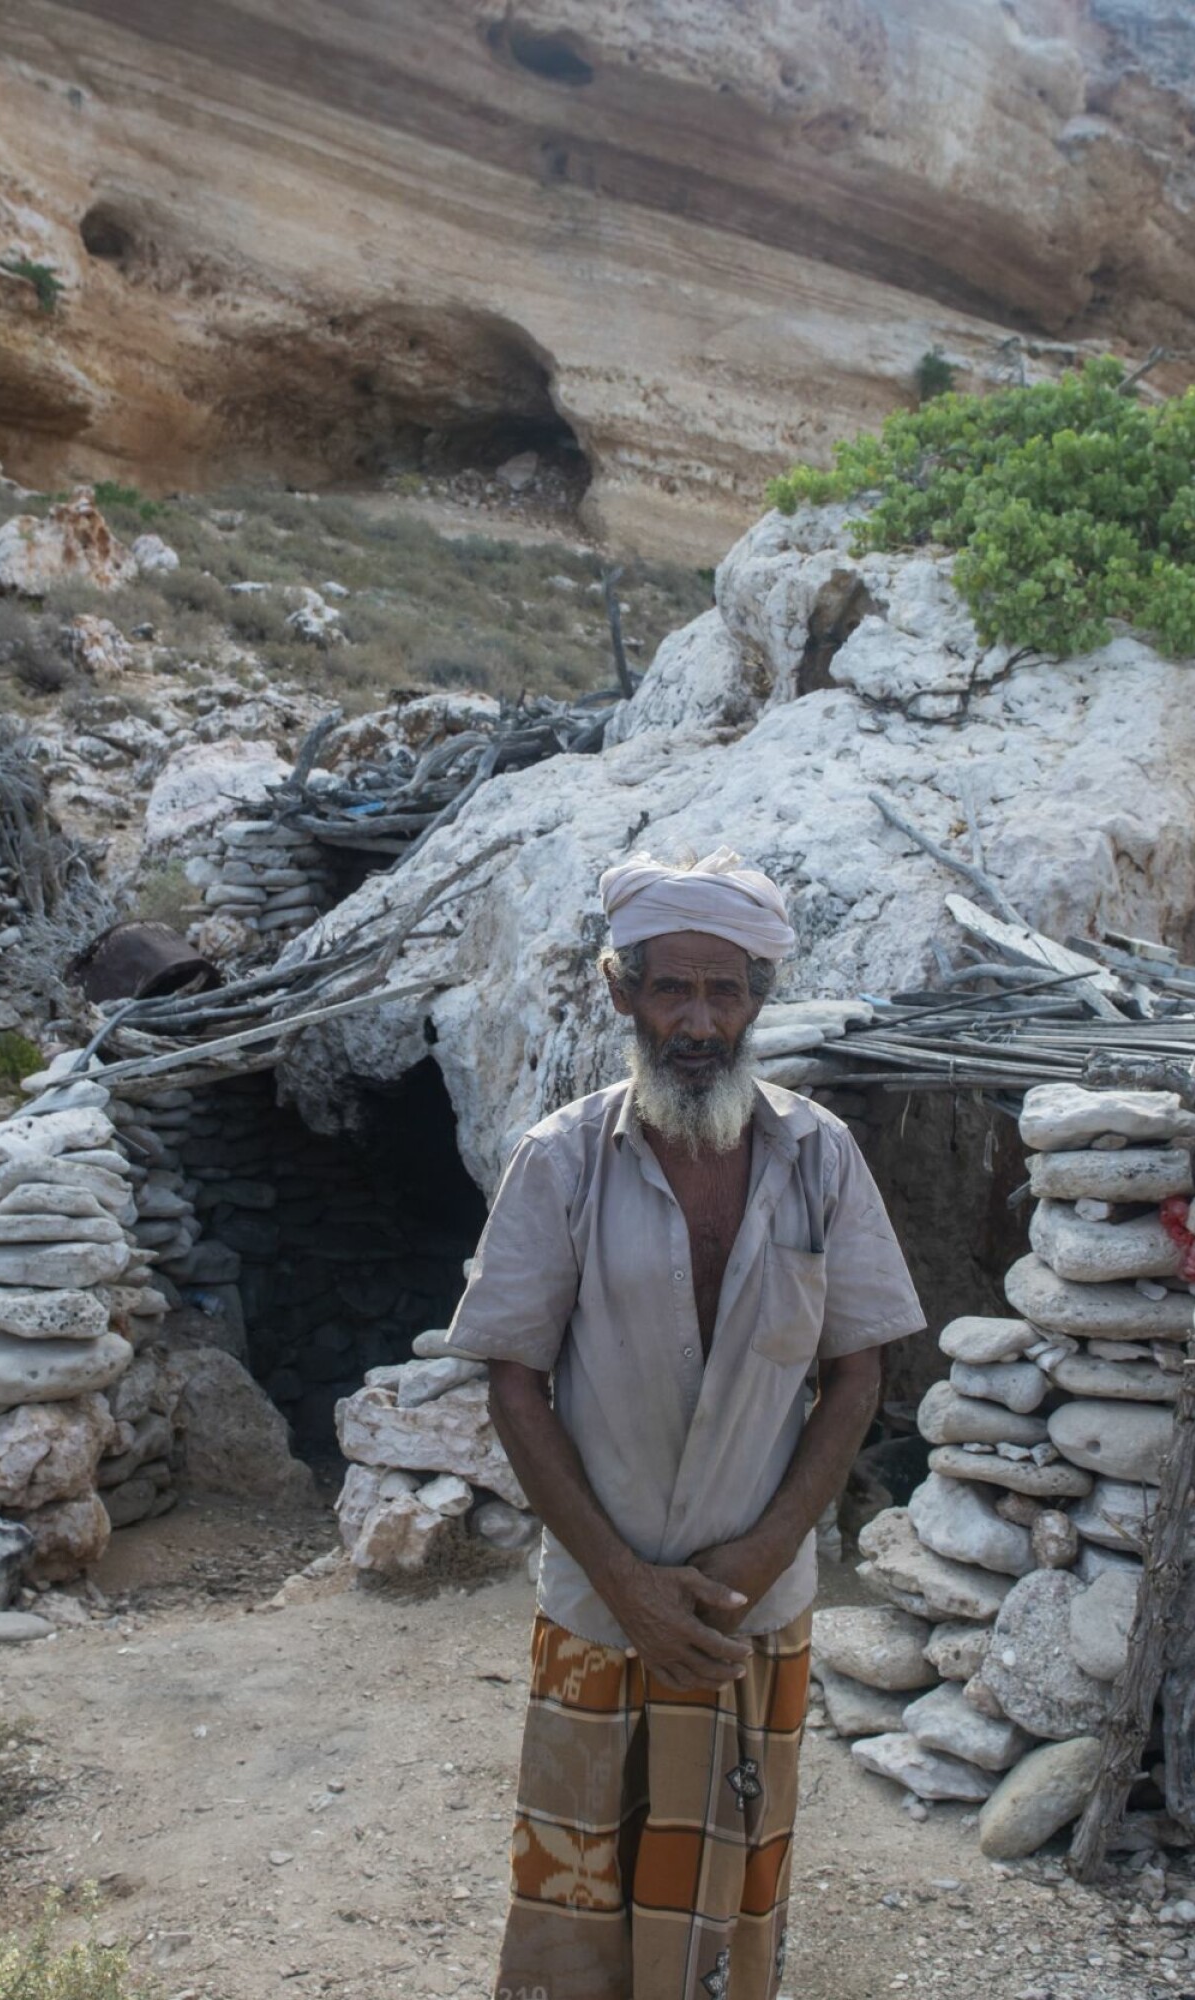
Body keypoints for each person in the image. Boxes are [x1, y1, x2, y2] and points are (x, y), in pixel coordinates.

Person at [443, 847, 926, 2000]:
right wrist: (625, 1581)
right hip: (596, 1607)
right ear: (623, 991)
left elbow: (857, 1374)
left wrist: (763, 1555)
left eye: (727, 990)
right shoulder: (559, 1162)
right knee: (579, 1898)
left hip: (746, 1611)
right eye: (673, 989)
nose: (700, 1020)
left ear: (759, 998)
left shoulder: (820, 1156)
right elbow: (515, 1384)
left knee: (728, 1904)